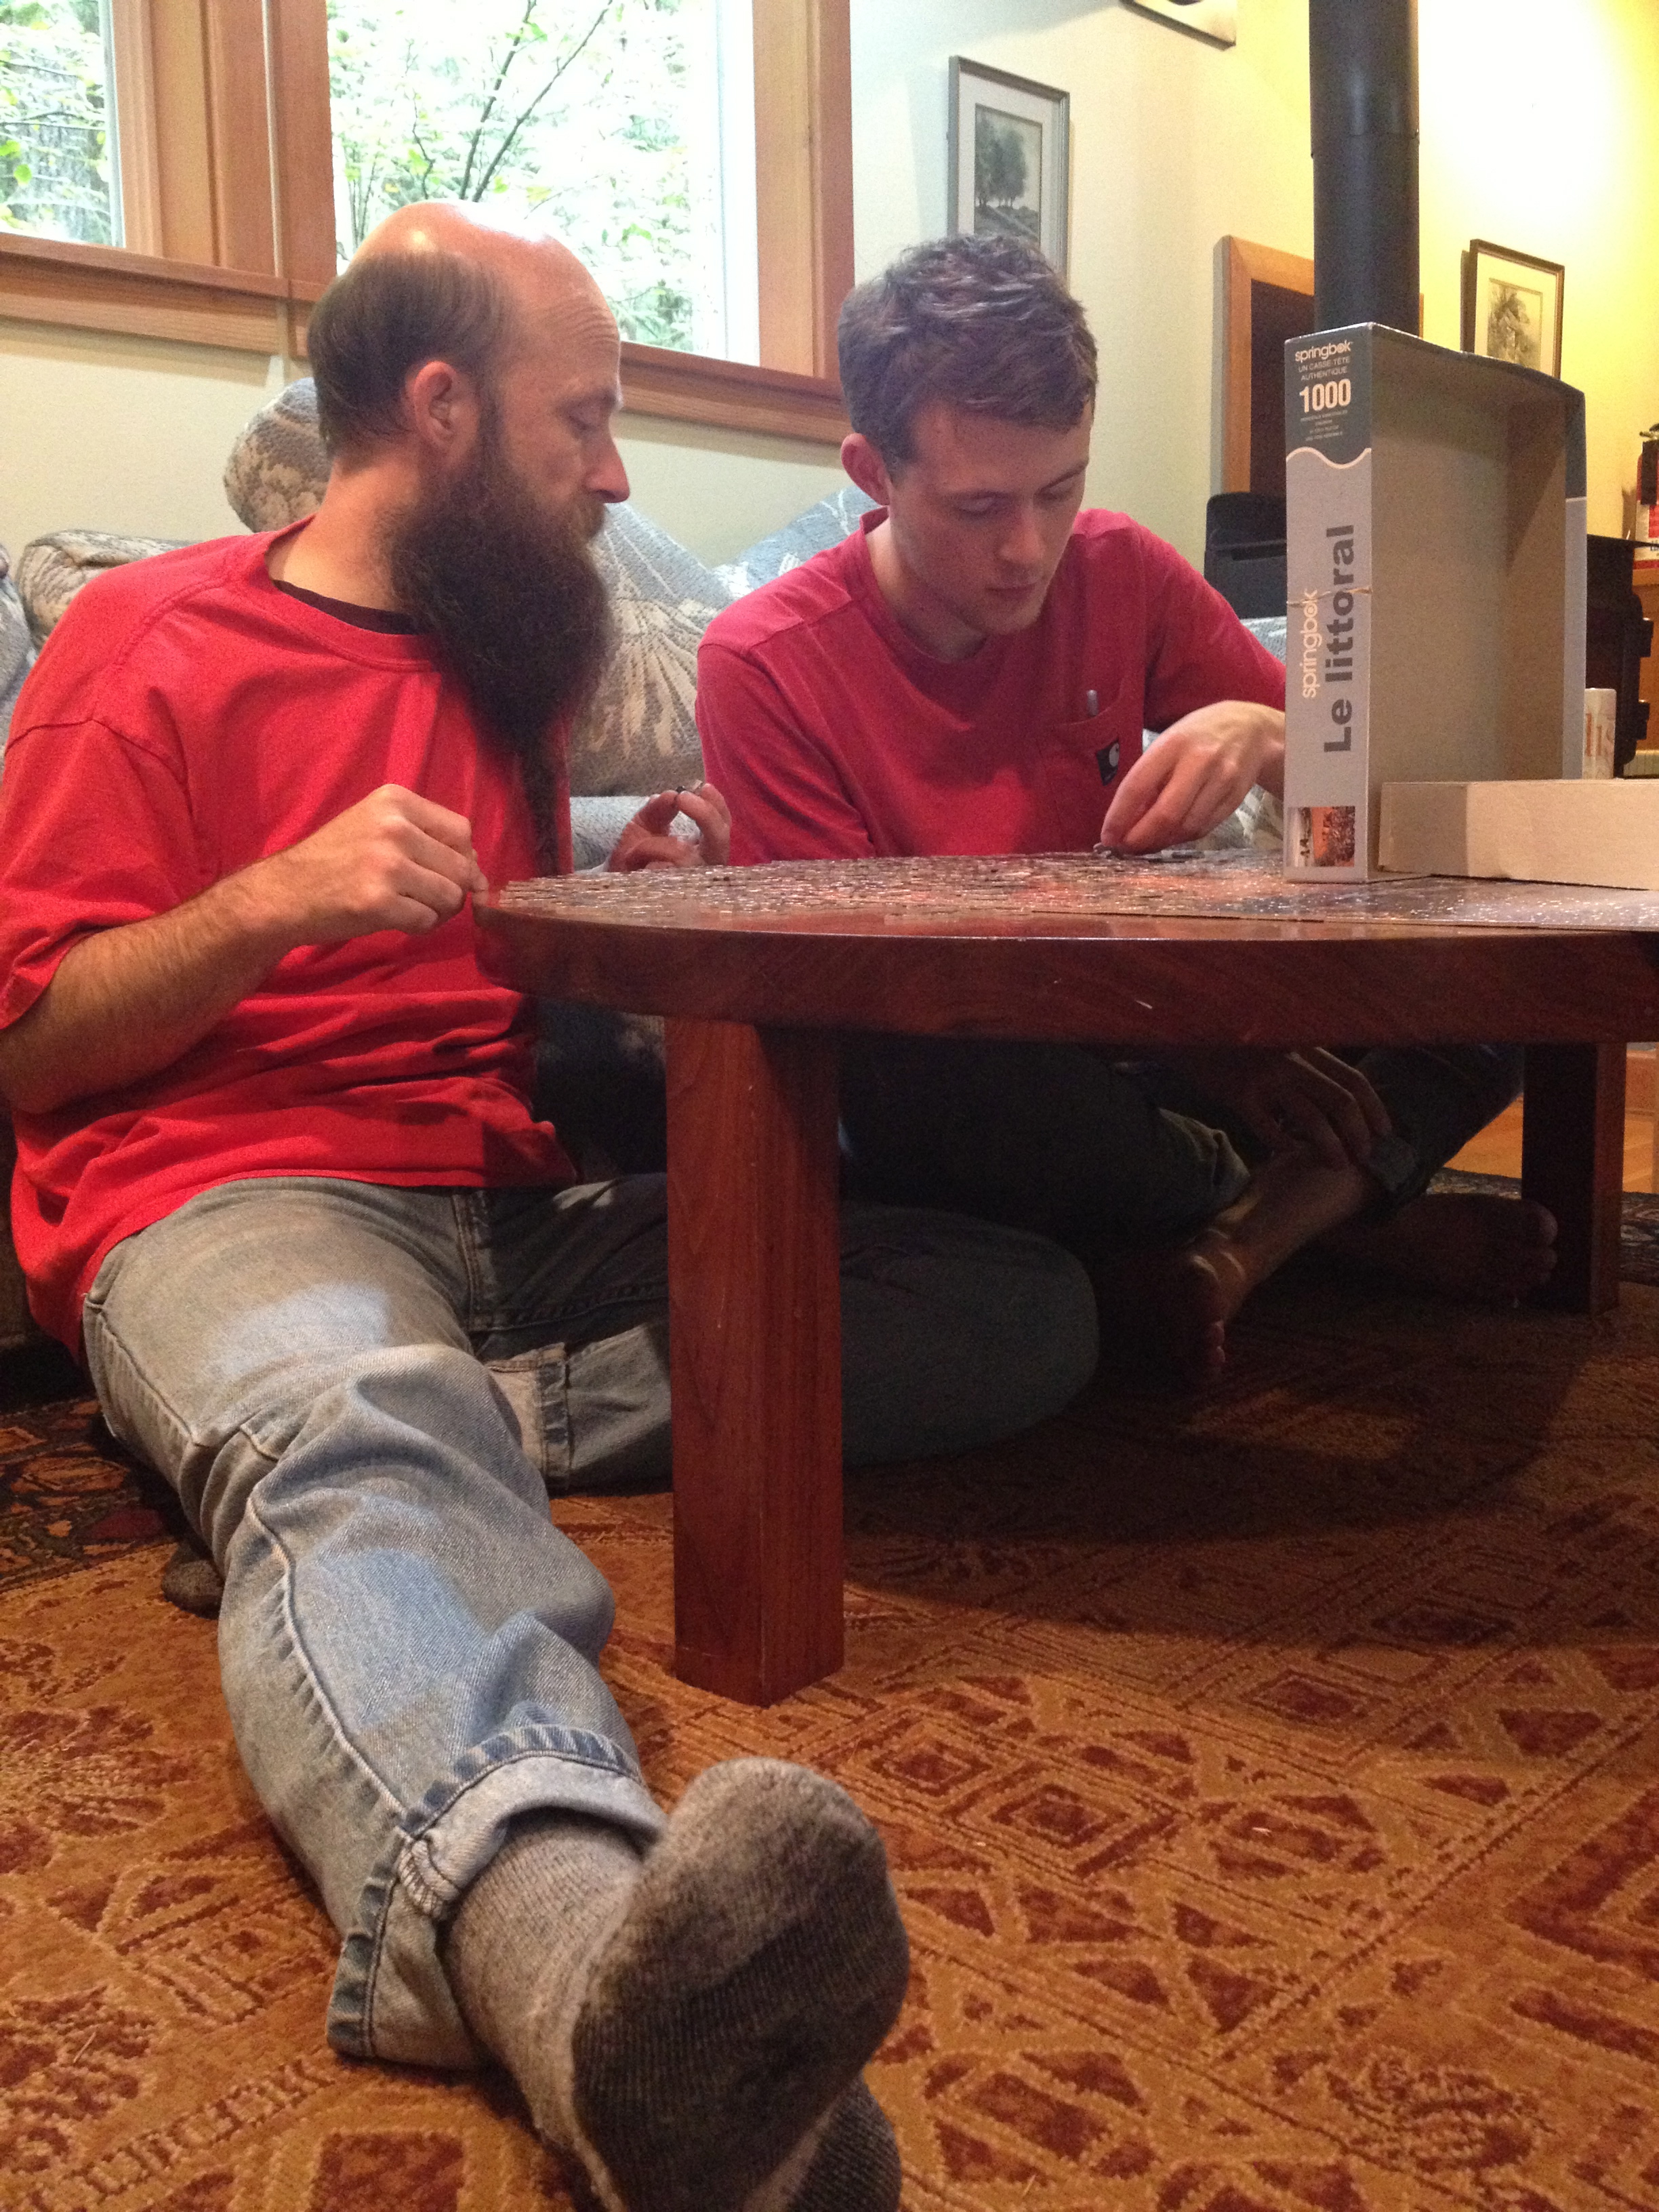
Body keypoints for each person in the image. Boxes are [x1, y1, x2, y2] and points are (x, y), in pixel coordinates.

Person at [0, 206, 1103, 2211]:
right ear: (441, 408)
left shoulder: (506, 644)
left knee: (1016, 1304)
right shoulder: (143, 639)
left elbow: (483, 953)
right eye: (583, 419)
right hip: (240, 1188)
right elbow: (28, 1048)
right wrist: (271, 900)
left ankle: (382, 1448)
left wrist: (619, 894)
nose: (615, 474)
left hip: (513, 1202)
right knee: (359, 1405)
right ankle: (586, 1977)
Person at [696, 234, 1555, 1380]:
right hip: (995, 1072)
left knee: (1503, 977)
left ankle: (1237, 1249)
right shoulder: (764, 663)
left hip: (1157, 1046)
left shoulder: (1120, 570)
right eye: (979, 506)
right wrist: (1215, 1056)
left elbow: (1384, 791)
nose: (1028, 548)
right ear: (872, 473)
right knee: (933, 1086)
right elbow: (864, 997)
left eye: (1061, 489)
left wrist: (1267, 737)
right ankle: (1332, 1225)